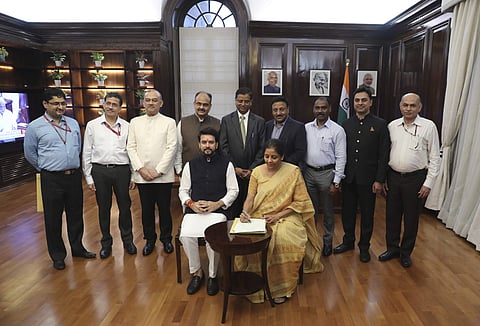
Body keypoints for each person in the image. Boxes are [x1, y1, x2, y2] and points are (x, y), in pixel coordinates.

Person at [237, 139, 323, 304]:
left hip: (287, 216)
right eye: (266, 156)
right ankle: (253, 283)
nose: (269, 161)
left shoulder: (293, 172)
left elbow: (300, 202)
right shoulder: (256, 172)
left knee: (284, 239)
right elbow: (250, 197)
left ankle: (281, 288)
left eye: (274, 157)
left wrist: (278, 216)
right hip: (259, 215)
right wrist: (245, 212)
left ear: (282, 157)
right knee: (251, 240)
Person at [24, 88, 96, 270]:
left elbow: (77, 147)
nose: (60, 107)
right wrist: (46, 168)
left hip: (73, 177)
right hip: (51, 178)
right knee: (53, 218)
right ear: (45, 104)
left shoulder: (72, 123)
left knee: (76, 215)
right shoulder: (35, 127)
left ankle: (78, 248)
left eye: (63, 103)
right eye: (56, 103)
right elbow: (30, 154)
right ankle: (57, 256)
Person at [379, 93, 440, 268]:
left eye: (413, 105)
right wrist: (383, 178)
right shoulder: (392, 126)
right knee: (392, 216)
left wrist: (428, 183)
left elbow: (435, 158)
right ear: (400, 106)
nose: (408, 108)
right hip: (393, 177)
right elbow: (384, 154)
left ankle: (405, 252)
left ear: (419, 107)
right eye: (405, 105)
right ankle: (392, 248)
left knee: (411, 218)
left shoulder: (428, 127)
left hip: (416, 179)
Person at [178, 127, 239, 296]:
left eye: (211, 142)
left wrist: (217, 204)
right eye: (204, 142)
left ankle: (212, 275)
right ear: (199, 144)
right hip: (194, 210)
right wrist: (191, 204)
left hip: (218, 211)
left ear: (217, 144)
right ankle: (197, 273)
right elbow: (183, 190)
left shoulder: (227, 164)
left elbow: (233, 191)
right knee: (186, 234)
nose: (207, 145)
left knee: (213, 236)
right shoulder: (190, 165)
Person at [334, 86, 390, 262]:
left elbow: (384, 155)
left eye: (364, 100)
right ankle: (348, 241)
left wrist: (379, 180)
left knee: (367, 215)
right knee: (348, 213)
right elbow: (341, 152)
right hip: (349, 178)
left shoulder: (380, 125)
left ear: (370, 102)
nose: (360, 103)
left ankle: (364, 247)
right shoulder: (346, 124)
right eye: (357, 100)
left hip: (369, 180)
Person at [82, 92, 137, 259]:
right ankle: (106, 243)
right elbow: (86, 151)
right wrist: (89, 177)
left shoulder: (128, 126)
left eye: (114, 104)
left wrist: (134, 175)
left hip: (122, 170)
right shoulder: (93, 125)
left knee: (125, 207)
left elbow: (132, 151)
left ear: (120, 108)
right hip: (100, 171)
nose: (110, 107)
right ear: (103, 104)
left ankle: (128, 241)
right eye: (108, 103)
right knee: (103, 208)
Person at [127, 89, 177, 256]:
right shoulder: (135, 122)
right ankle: (149, 240)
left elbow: (172, 148)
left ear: (161, 103)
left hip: (162, 176)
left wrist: (158, 171)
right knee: (146, 210)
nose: (150, 103)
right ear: (143, 102)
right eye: (147, 100)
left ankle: (166, 239)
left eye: (154, 100)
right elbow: (131, 148)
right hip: (142, 176)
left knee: (164, 209)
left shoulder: (169, 122)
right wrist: (141, 169)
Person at [303, 97, 347, 257]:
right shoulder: (306, 128)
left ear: (329, 109)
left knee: (328, 212)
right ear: (313, 110)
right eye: (317, 108)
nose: (320, 111)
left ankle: (327, 243)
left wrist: (336, 182)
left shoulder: (337, 130)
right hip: (308, 173)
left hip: (327, 174)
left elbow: (341, 157)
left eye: (323, 108)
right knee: (310, 211)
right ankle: (312, 243)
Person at [220, 87, 265, 219]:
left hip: (254, 173)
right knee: (234, 206)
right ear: (235, 101)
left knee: (252, 206)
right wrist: (234, 168)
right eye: (240, 101)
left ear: (251, 102)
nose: (243, 104)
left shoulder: (259, 121)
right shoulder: (227, 120)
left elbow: (262, 148)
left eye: (246, 101)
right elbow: (223, 146)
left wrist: (252, 169)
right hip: (233, 171)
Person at [174, 91, 220, 175]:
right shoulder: (183, 123)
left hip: (213, 173)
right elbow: (178, 149)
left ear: (210, 106)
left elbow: (220, 150)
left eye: (205, 105)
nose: (201, 107)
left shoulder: (218, 124)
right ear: (194, 104)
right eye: (199, 104)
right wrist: (179, 170)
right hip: (188, 172)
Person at [264, 96, 306, 166]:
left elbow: (300, 152)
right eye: (275, 110)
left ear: (288, 110)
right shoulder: (267, 125)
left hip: (288, 168)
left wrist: (282, 165)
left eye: (281, 109)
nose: (278, 113)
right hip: (269, 167)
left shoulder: (298, 127)